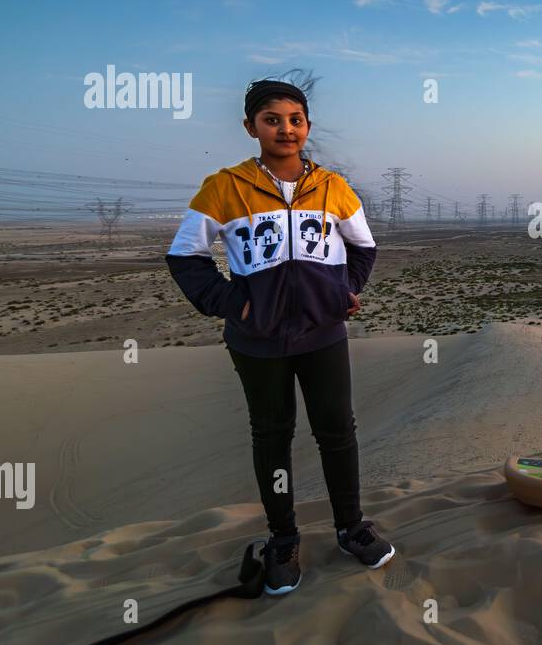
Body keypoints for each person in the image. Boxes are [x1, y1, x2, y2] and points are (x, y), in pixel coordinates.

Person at [165, 73, 396, 596]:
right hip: (257, 341)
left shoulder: (334, 187)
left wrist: (345, 290)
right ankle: (284, 538)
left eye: (295, 120)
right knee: (272, 436)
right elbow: (185, 255)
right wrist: (231, 303)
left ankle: (351, 527)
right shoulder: (224, 187)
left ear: (307, 126)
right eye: (272, 120)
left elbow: (364, 247)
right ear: (251, 127)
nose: (285, 129)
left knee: (337, 430)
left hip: (323, 334)